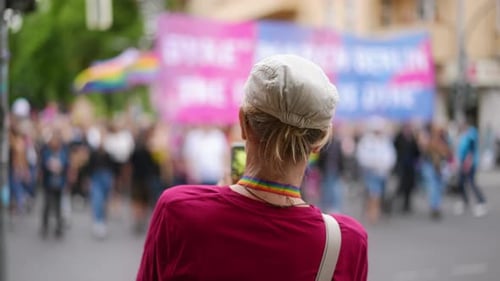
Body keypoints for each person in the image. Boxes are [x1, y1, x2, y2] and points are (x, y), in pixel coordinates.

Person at [137, 55, 367, 281]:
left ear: (244, 123)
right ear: (318, 142)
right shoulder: (346, 244)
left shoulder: (180, 211)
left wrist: (213, 200)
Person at [356, 117, 396, 224]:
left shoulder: (385, 141)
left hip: (382, 172)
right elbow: (362, 156)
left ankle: (373, 211)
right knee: (374, 193)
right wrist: (373, 163)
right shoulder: (366, 141)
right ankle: (373, 213)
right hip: (371, 172)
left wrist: (386, 165)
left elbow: (390, 156)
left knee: (379, 194)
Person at [40, 130, 69, 238]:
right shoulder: (46, 152)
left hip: (59, 183)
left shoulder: (63, 152)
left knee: (58, 206)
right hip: (48, 182)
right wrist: (50, 166)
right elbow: (43, 164)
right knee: (47, 204)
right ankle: (45, 225)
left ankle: (58, 226)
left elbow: (66, 165)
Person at [455, 118, 487, 217]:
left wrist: (468, 162)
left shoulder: (470, 135)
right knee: (461, 183)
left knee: (471, 183)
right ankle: (465, 201)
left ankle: (481, 201)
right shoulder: (463, 135)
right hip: (463, 163)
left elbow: (471, 150)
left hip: (469, 164)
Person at [419, 124, 451, 220]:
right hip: (430, 166)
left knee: (439, 187)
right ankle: (434, 207)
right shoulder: (429, 140)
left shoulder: (444, 141)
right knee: (433, 187)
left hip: (440, 167)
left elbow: (447, 153)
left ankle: (437, 206)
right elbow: (424, 150)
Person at [393, 123, 420, 214]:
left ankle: (407, 203)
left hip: (410, 166)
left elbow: (417, 151)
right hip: (402, 165)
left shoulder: (412, 139)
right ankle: (400, 202)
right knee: (402, 185)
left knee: (409, 186)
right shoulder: (399, 138)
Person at [317, 128, 344, 213]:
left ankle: (333, 207)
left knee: (334, 189)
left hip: (334, 169)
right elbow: (321, 157)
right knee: (326, 188)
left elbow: (341, 157)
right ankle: (326, 206)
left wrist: (342, 169)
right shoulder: (325, 144)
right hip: (326, 169)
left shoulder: (337, 142)